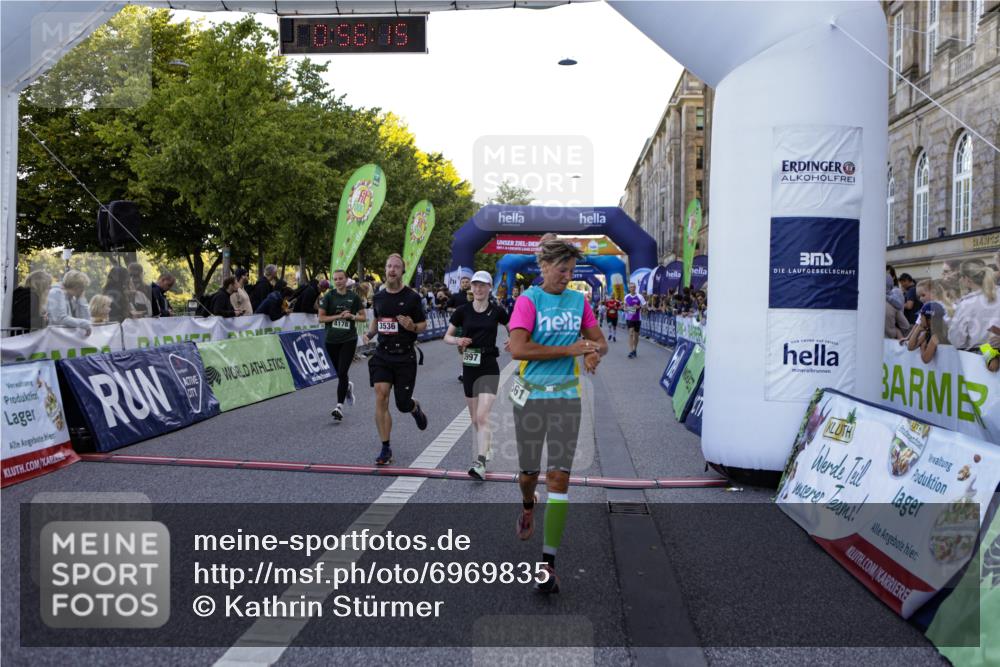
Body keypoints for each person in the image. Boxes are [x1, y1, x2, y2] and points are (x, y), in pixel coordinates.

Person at [507, 235, 607, 594]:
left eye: (571, 271)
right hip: (530, 397)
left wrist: (593, 353)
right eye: (561, 270)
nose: (567, 276)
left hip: (567, 397)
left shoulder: (579, 302)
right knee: (529, 474)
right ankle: (527, 503)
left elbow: (598, 341)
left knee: (560, 478)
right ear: (544, 267)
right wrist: (570, 349)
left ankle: (547, 565)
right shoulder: (528, 300)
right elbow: (519, 349)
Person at [361, 254, 429, 466]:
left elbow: (423, 324)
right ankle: (385, 447)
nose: (391, 270)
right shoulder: (379, 297)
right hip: (383, 354)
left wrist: (412, 327)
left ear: (402, 271)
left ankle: (414, 407)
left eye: (396, 267)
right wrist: (370, 335)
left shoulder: (412, 298)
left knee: (401, 404)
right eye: (389, 266)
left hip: (405, 356)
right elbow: (377, 320)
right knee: (381, 395)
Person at [444, 270, 510, 480]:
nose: (479, 289)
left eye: (483, 285)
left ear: (490, 287)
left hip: (489, 365)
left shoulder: (497, 311)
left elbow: (514, 329)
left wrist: (513, 340)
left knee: (482, 416)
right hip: (470, 366)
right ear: (471, 287)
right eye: (475, 285)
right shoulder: (462, 311)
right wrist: (458, 341)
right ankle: (487, 446)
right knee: (475, 418)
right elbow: (447, 336)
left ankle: (480, 462)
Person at [319, 269, 365, 422]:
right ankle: (348, 387)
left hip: (348, 339)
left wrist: (351, 316)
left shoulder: (354, 297)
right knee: (340, 373)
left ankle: (339, 406)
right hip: (331, 340)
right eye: (335, 279)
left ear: (346, 280)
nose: (338, 281)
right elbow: (321, 318)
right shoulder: (328, 296)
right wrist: (339, 316)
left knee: (343, 371)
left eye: (341, 278)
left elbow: (363, 317)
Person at [949, 260, 1000, 350]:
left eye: (961, 276)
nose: (960, 280)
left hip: (979, 357)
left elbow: (957, 341)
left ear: (968, 279)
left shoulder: (965, 304)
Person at [47, 270, 92, 334]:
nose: (83, 291)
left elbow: (85, 319)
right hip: (55, 337)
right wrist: (85, 324)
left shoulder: (72, 298)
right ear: (77, 287)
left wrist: (81, 300)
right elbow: (60, 319)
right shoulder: (56, 293)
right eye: (83, 288)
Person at [448, 276, 472, 383]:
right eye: (463, 282)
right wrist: (455, 310)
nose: (465, 284)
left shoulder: (474, 296)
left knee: (470, 348)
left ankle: (465, 372)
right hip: (459, 326)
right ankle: (466, 370)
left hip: (472, 325)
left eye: (467, 282)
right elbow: (447, 307)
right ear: (460, 284)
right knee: (462, 349)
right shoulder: (455, 296)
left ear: (470, 283)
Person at [623, 282, 646, 358]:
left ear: (635, 288)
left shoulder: (640, 296)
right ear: (629, 289)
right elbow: (625, 307)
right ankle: (631, 350)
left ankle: (635, 349)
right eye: (631, 287)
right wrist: (626, 309)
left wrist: (639, 307)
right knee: (630, 333)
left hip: (637, 318)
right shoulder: (626, 297)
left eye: (633, 287)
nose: (632, 288)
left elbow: (644, 306)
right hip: (629, 318)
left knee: (636, 336)